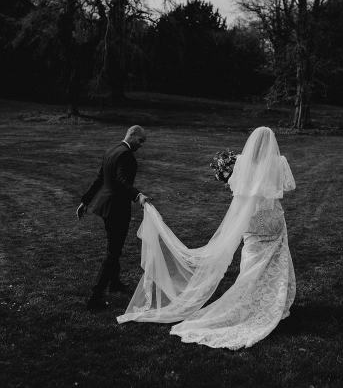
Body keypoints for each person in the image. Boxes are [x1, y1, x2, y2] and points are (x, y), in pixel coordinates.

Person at [117, 126, 296, 350]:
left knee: (251, 255)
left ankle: (248, 295)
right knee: (276, 255)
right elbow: (287, 187)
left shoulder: (241, 161)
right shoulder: (279, 162)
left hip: (249, 217)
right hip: (271, 217)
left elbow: (235, 187)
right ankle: (275, 300)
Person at [77, 125, 150, 312]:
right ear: (132, 135)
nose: (141, 145)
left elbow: (100, 178)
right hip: (116, 209)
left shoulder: (112, 149)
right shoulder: (126, 155)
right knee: (113, 252)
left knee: (114, 245)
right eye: (140, 140)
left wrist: (85, 201)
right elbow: (121, 181)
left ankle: (115, 283)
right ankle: (95, 298)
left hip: (105, 207)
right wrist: (137, 195)